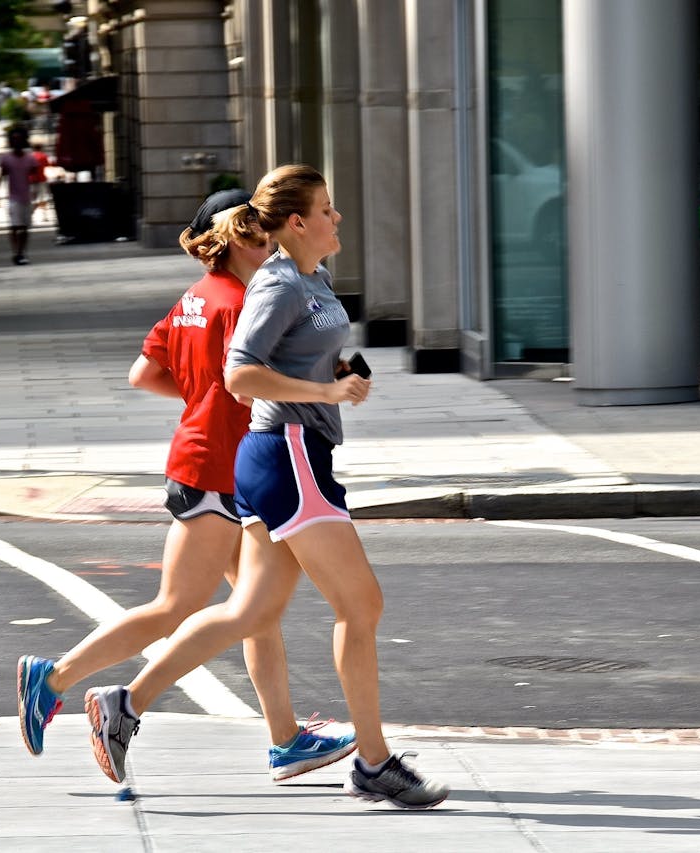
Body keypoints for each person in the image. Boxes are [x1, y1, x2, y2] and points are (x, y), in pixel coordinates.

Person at [83, 165, 450, 810]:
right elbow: (240, 376)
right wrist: (325, 392)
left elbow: (310, 350)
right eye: (328, 209)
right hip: (286, 454)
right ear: (298, 222)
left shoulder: (315, 279)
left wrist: (344, 370)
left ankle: (125, 703)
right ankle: (373, 762)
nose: (338, 219)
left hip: (293, 454)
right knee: (360, 606)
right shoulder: (276, 285)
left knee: (250, 613)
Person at [17, 188, 357, 784]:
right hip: (219, 473)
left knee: (256, 611)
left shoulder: (196, 299)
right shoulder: (242, 305)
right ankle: (55, 679)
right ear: (244, 240)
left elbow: (143, 373)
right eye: (262, 235)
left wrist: (201, 397)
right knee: (179, 607)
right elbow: (251, 383)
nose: (272, 243)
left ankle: (286, 740)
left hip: (206, 465)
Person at [0, 130, 39, 265]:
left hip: (26, 196)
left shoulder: (30, 159)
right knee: (14, 226)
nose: (17, 142)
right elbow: (2, 175)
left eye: (19, 139)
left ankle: (22, 252)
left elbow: (35, 175)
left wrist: (36, 191)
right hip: (13, 197)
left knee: (25, 227)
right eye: (14, 140)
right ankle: (16, 252)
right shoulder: (6, 159)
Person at [29, 142, 52, 222]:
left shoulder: (29, 157)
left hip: (30, 180)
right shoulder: (43, 156)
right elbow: (48, 165)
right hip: (41, 179)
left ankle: (30, 216)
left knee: (32, 198)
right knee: (43, 198)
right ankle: (44, 216)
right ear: (41, 148)